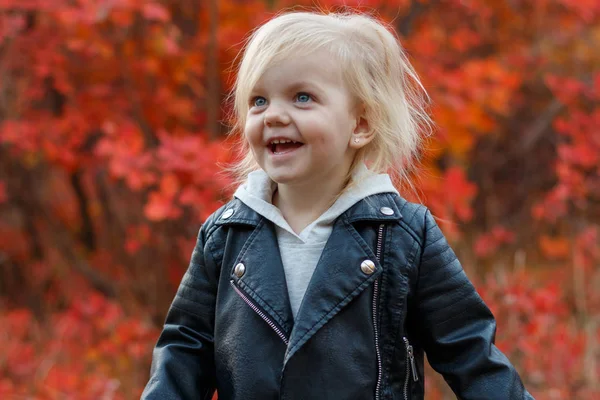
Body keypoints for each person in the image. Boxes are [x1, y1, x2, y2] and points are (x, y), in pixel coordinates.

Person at [142, 10, 534, 400]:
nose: (274, 115)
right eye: (259, 100)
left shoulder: (403, 234)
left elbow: (470, 352)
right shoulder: (225, 234)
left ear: (360, 125)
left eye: (302, 97)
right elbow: (184, 352)